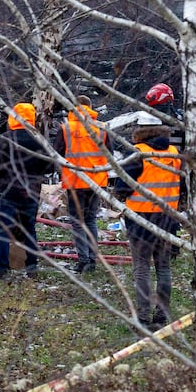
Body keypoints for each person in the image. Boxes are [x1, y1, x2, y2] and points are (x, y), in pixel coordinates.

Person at [112, 123, 184, 328]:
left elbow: (122, 187)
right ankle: (162, 315)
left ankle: (143, 317)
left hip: (141, 218)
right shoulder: (174, 153)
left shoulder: (138, 153)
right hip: (168, 218)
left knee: (142, 267)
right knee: (163, 266)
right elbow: (181, 185)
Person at [0, 102, 52, 279]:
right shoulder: (39, 140)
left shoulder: (6, 139)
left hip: (9, 191)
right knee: (29, 229)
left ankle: (1, 269)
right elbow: (50, 166)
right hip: (31, 191)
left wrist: (5, 176)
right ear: (32, 117)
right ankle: (32, 267)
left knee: (4, 231)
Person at [55, 95, 109, 274]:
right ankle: (92, 260)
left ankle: (83, 260)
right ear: (90, 107)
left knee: (78, 222)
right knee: (91, 219)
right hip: (96, 182)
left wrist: (60, 174)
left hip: (74, 181)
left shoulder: (66, 128)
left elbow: (57, 155)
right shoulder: (102, 128)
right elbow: (110, 155)